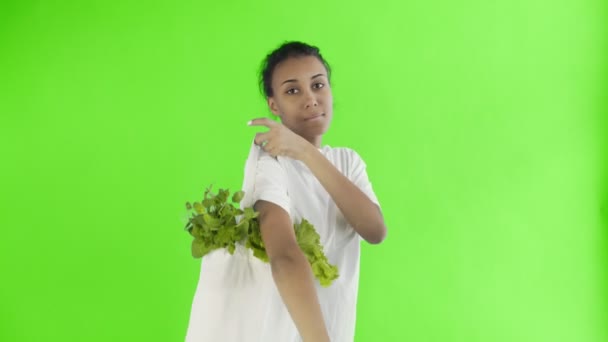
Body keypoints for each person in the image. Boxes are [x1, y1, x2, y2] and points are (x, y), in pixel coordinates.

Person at [185, 41, 387, 342]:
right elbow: (284, 256)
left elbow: (374, 230)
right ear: (273, 105)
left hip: (334, 328)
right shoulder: (268, 162)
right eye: (293, 91)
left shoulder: (348, 161)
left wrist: (307, 153)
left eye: (318, 85)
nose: (311, 99)